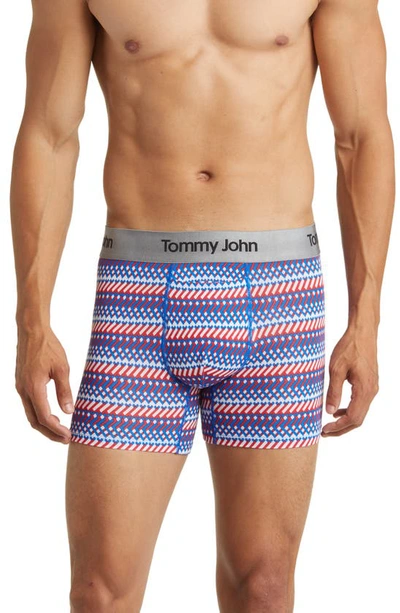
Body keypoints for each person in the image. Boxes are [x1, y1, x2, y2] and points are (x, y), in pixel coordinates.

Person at [10, 0, 394, 611]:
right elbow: (49, 134)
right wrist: (32, 321)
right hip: (136, 299)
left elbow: (361, 137)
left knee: (263, 588)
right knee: (99, 591)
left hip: (279, 299)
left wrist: (365, 322)